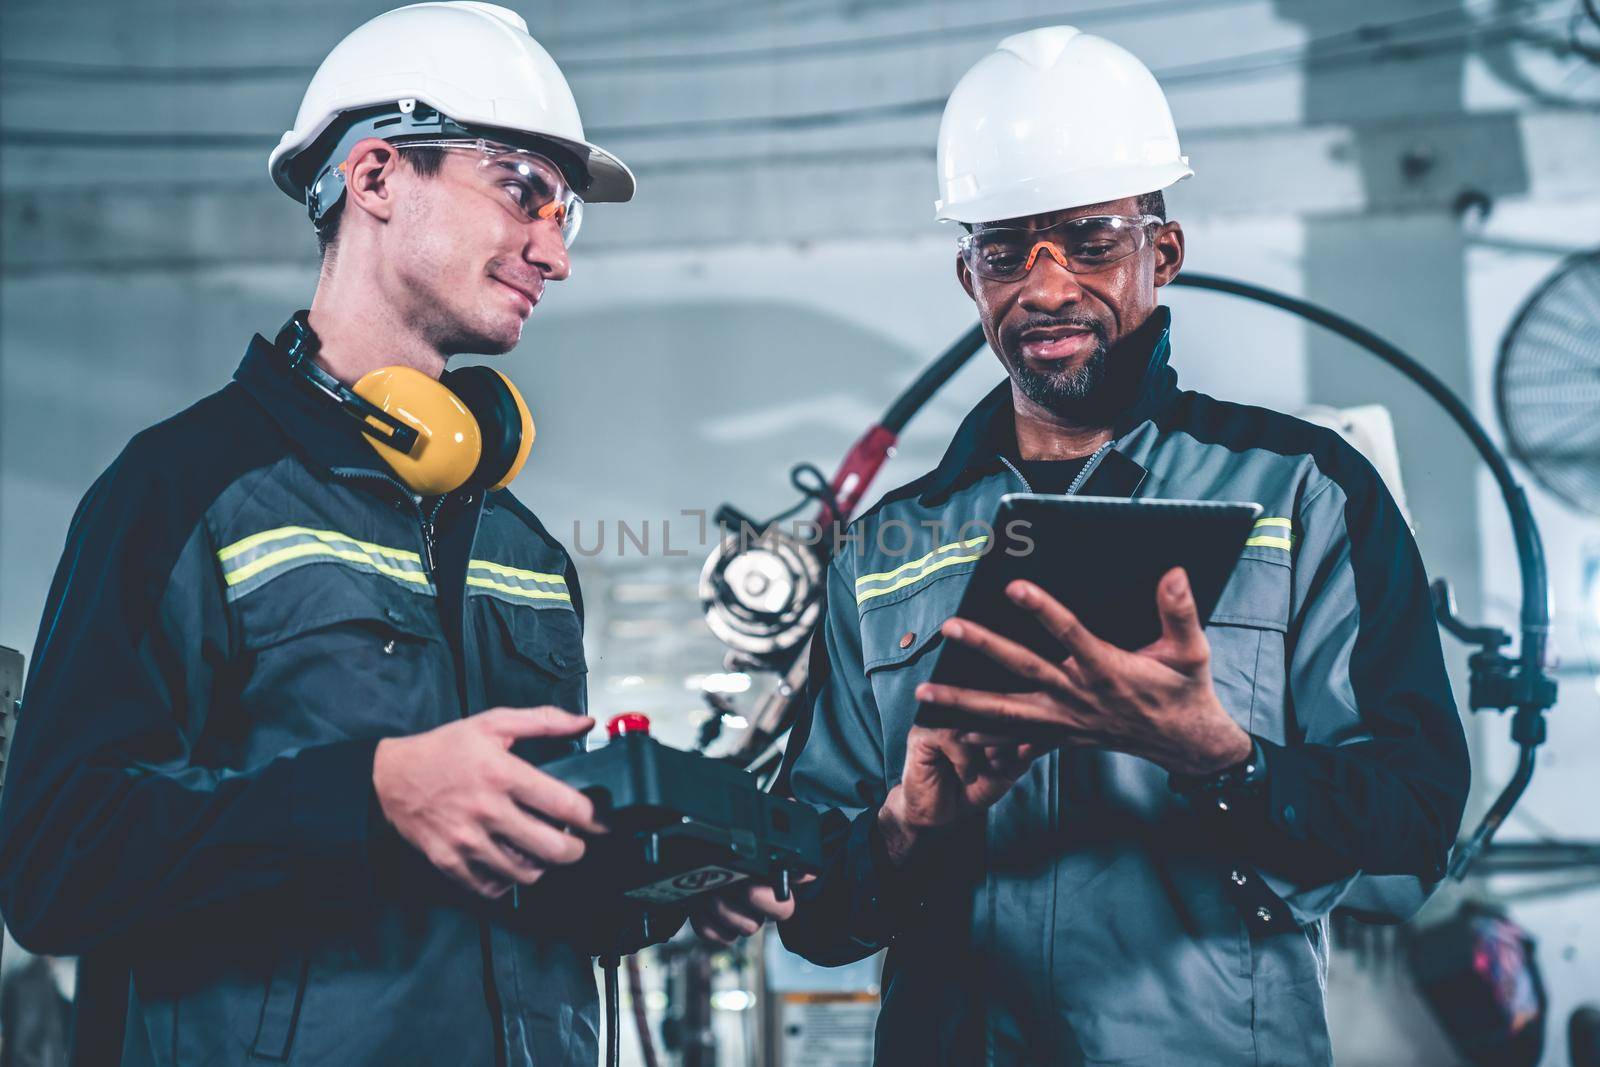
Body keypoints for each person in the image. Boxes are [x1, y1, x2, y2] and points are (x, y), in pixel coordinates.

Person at [0, 5, 787, 1064]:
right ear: (374, 179)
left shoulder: (525, 551)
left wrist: (663, 878)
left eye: (567, 218)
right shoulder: (181, 488)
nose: (552, 251)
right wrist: (371, 795)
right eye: (523, 191)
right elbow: (59, 864)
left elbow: (534, 893)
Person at [779, 25, 1471, 1065]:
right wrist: (901, 829)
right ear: (969, 276)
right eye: (1006, 250)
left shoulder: (1304, 490)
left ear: (1165, 250)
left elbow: (1411, 829)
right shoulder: (885, 546)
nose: (1047, 288)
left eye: (1091, 241)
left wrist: (1223, 759)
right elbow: (812, 907)